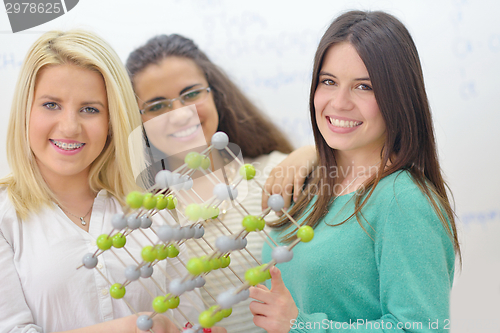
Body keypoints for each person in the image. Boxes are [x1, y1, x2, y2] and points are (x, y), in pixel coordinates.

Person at [249, 10, 461, 333]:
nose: (339, 102)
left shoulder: (403, 202)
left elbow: (421, 328)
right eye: (328, 82)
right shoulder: (309, 183)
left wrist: (302, 326)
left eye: (364, 87)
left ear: (398, 97)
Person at [0, 29, 223, 333]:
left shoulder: (155, 214)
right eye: (51, 104)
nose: (69, 126)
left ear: (111, 123)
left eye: (90, 109)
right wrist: (130, 328)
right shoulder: (5, 218)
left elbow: (191, 321)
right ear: (25, 111)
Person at [126, 34, 318, 333]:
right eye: (157, 106)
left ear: (215, 94)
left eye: (191, 94)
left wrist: (319, 153)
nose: (180, 114)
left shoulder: (280, 172)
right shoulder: (143, 216)